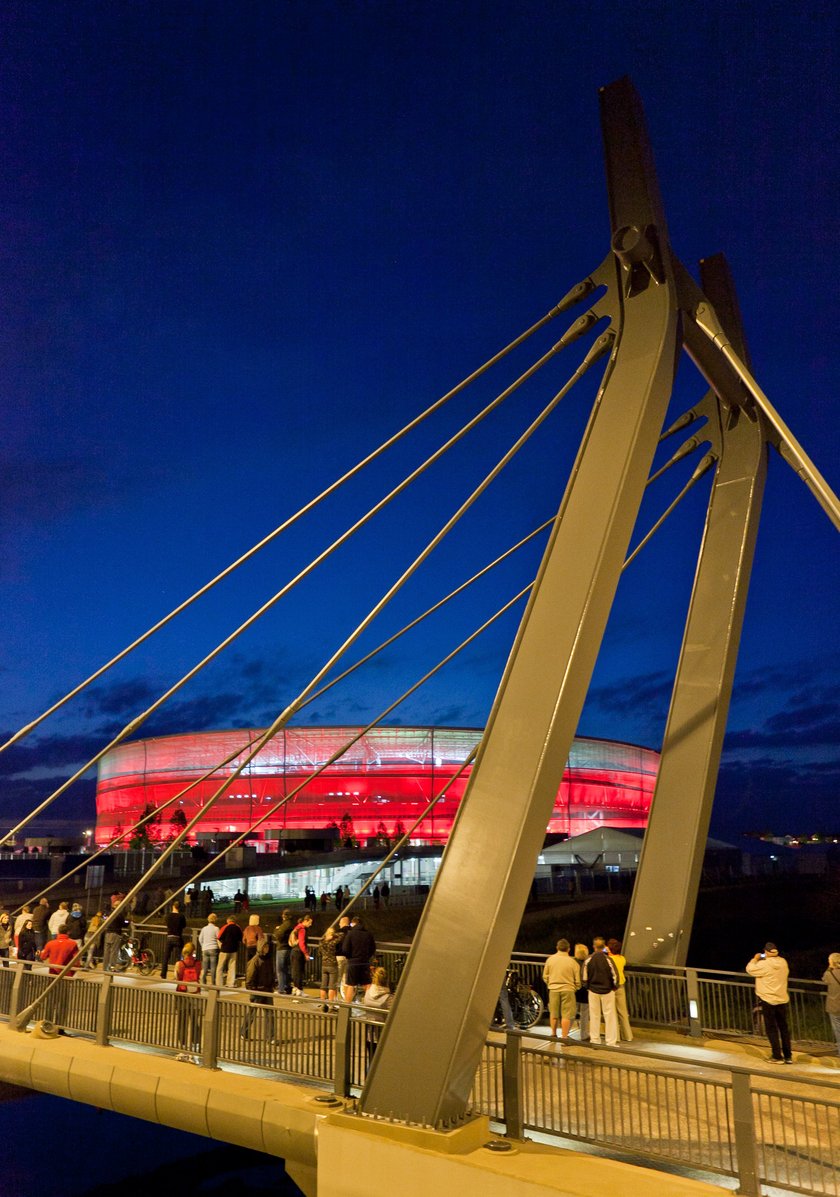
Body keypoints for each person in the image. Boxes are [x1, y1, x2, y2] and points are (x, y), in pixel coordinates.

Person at [747, 942, 792, 1063]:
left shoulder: (764, 964)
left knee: (771, 1028)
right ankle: (788, 1056)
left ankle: (777, 1056)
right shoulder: (783, 962)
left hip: (768, 999)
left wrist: (755, 959)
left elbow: (750, 970)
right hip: (782, 999)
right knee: (783, 1028)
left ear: (765, 952)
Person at [39, 924, 79, 1027]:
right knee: (63, 1002)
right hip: (65, 976)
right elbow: (76, 962)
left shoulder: (51, 943)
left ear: (58, 932)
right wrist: (71, 973)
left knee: (50, 1000)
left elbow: (43, 956)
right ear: (68, 932)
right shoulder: (72, 944)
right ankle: (60, 1026)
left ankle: (47, 1024)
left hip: (52, 975)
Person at [542, 938, 580, 1042]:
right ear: (568, 949)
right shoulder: (573, 962)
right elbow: (578, 980)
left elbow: (545, 976)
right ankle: (564, 1037)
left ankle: (553, 1034)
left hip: (553, 989)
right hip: (568, 990)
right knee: (566, 1015)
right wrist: (575, 987)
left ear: (557, 948)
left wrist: (550, 984)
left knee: (554, 1013)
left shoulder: (550, 960)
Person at [583, 937, 619, 1046]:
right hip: (607, 991)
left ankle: (594, 1040)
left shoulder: (588, 960)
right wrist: (613, 987)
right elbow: (615, 976)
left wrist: (588, 987)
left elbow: (584, 977)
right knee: (610, 1016)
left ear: (593, 947)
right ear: (604, 947)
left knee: (594, 1016)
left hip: (593, 991)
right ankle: (610, 1042)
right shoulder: (608, 960)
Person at [240, 938, 276, 1042]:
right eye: (265, 947)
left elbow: (271, 973)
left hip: (267, 990)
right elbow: (250, 977)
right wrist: (253, 989)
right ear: (261, 948)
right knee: (252, 1013)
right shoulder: (255, 961)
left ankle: (271, 1037)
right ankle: (244, 1032)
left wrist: (272, 984)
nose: (267, 948)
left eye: (268, 947)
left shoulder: (268, 959)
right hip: (257, 991)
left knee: (270, 1015)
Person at [341, 915, 376, 1002]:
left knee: (350, 985)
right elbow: (373, 948)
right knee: (367, 984)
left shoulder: (350, 934)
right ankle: (370, 1004)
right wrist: (367, 957)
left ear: (353, 923)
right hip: (364, 962)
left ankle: (347, 1008)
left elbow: (345, 949)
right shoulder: (368, 934)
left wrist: (350, 957)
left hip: (353, 962)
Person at [362, 966, 394, 1062]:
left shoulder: (368, 993)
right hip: (384, 1036)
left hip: (369, 1034)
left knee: (371, 1060)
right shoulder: (389, 998)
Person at [174, 943, 202, 1051]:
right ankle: (196, 1043)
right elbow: (198, 975)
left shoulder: (180, 964)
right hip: (195, 993)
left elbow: (177, 977)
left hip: (183, 994)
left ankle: (183, 1044)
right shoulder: (198, 963)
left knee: (182, 1020)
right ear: (193, 952)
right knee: (195, 1020)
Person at [606, 937, 634, 1042]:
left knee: (612, 1012)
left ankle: (616, 1036)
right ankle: (627, 1036)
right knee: (623, 1012)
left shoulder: (608, 960)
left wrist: (606, 950)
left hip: (610, 987)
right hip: (621, 986)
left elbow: (603, 951)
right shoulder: (622, 959)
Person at [160, 902, 187, 980]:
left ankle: (163, 974)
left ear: (173, 906)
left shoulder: (168, 916)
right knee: (179, 957)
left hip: (169, 937)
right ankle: (179, 974)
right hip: (178, 937)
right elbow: (184, 926)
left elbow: (167, 924)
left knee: (166, 957)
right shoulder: (181, 916)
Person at [216, 916, 243, 987]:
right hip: (234, 949)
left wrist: (221, 946)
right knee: (232, 967)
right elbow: (241, 938)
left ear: (228, 921)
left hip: (224, 949)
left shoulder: (225, 927)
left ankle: (219, 983)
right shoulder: (238, 928)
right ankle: (230, 983)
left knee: (220, 967)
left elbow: (219, 937)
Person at [290, 913, 313, 995]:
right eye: (310, 923)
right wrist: (306, 954)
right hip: (299, 952)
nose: (310, 925)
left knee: (295, 972)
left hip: (293, 951)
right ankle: (299, 991)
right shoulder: (302, 929)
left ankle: (295, 989)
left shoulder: (297, 927)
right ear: (305, 921)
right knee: (299, 972)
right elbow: (302, 943)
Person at [822, 952, 840, 1054]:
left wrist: (830, 967)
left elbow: (824, 979)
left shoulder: (829, 974)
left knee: (838, 1030)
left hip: (834, 1006)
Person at [319, 925, 339, 1002]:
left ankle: (323, 1002)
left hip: (324, 965)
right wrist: (334, 935)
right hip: (332, 965)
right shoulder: (333, 942)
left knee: (323, 985)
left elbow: (319, 953)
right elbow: (341, 935)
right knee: (332, 986)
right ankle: (331, 1004)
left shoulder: (321, 942)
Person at [574, 943, 590, 1041]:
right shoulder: (588, 962)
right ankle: (584, 1035)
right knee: (585, 1013)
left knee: (572, 1012)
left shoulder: (572, 962)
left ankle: (565, 1033)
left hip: (575, 990)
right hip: (585, 990)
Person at [197, 912, 219, 985]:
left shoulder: (204, 928)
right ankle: (213, 982)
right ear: (215, 920)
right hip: (213, 948)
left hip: (205, 949)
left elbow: (200, 939)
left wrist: (203, 945)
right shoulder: (216, 929)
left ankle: (203, 981)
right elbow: (218, 938)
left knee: (205, 967)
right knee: (213, 967)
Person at [335, 915, 351, 1000]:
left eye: (340, 923)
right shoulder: (352, 932)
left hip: (339, 956)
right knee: (346, 978)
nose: (339, 924)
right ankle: (345, 998)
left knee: (337, 977)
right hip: (349, 957)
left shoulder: (338, 932)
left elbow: (335, 944)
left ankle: (334, 997)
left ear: (343, 923)